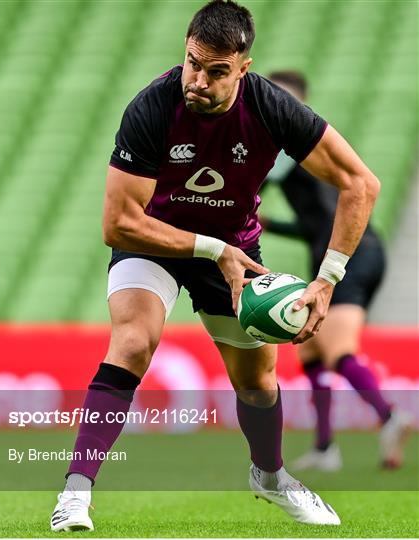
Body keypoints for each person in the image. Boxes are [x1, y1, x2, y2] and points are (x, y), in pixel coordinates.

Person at [50, 0, 382, 530]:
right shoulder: (153, 107)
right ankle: (76, 490)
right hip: (155, 239)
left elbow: (361, 184)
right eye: (192, 63)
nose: (198, 80)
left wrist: (327, 280)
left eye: (216, 70)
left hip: (236, 249)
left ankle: (270, 477)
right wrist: (210, 248)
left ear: (243, 67)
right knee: (133, 341)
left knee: (257, 382)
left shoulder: (272, 108)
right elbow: (117, 224)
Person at [259, 70, 412, 472]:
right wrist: (270, 224)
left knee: (337, 350)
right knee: (309, 349)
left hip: (349, 255)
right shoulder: (314, 145)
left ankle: (388, 416)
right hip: (344, 249)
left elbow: (252, 185)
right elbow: (316, 223)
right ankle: (326, 448)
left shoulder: (285, 145)